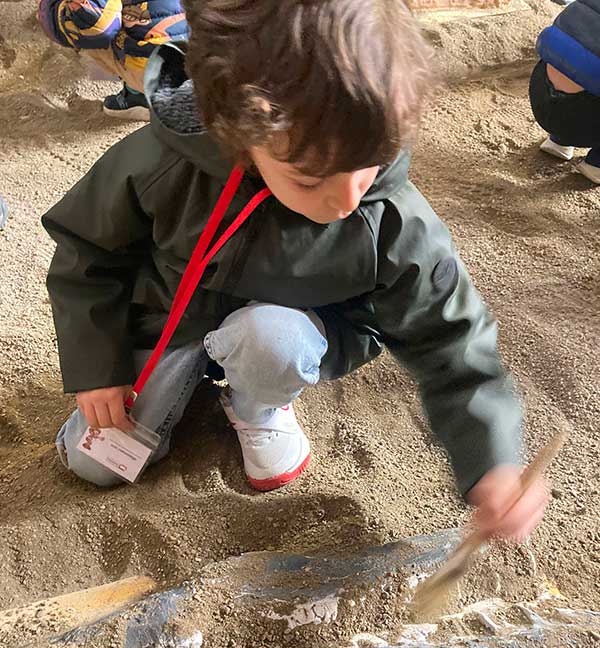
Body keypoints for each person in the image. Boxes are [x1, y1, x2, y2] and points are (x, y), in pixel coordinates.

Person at [43, 0, 549, 543]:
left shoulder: (394, 219)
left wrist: (491, 462)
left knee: (269, 340)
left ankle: (259, 401)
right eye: (309, 179)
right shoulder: (168, 161)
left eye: (368, 165)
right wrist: (96, 364)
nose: (344, 201)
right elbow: (87, 249)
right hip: (169, 318)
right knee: (93, 465)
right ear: (240, 131)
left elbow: (452, 338)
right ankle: (189, 379)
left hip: (282, 338)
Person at [37, 0, 188, 120]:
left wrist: (50, 10)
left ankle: (140, 93)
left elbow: (97, 25)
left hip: (159, 69)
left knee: (87, 22)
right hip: (201, 58)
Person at [530, 0, 600, 184]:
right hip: (584, 123)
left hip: (540, 95)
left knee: (567, 58)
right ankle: (596, 164)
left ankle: (559, 141)